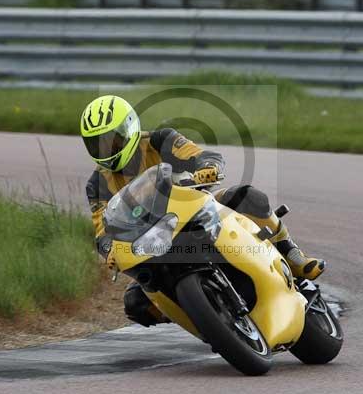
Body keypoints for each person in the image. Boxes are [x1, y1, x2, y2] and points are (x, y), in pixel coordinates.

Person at [81, 95, 326, 327]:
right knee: (135, 304)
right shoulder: (97, 184)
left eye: (111, 140)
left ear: (130, 128)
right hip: (152, 246)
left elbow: (201, 155)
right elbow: (102, 230)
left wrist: (208, 167)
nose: (106, 149)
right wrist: (108, 250)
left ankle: (293, 255)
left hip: (195, 212)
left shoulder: (160, 140)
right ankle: (200, 318)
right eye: (96, 144)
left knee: (244, 196)